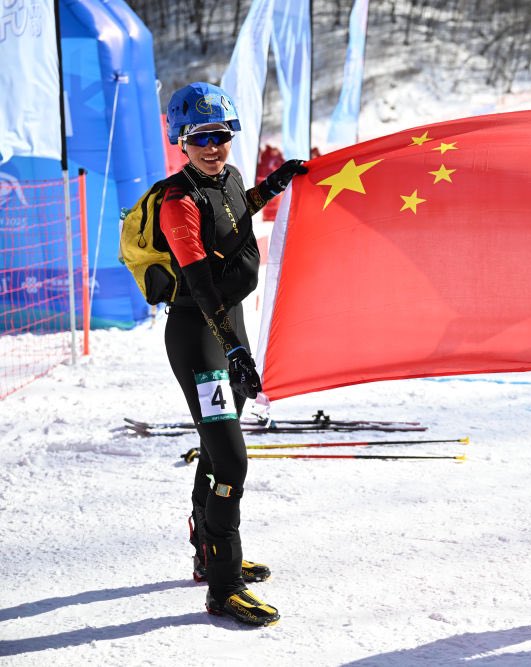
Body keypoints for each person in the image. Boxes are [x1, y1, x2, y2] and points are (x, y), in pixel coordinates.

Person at [161, 82, 307, 626]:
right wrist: (233, 351)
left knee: (217, 446)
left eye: (220, 135)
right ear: (182, 140)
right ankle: (224, 586)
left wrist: (274, 183)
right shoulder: (178, 202)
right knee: (231, 460)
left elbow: (236, 211)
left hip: (230, 330)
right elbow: (200, 287)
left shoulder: (230, 178)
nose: (213, 146)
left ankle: (209, 552)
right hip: (201, 337)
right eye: (200, 137)